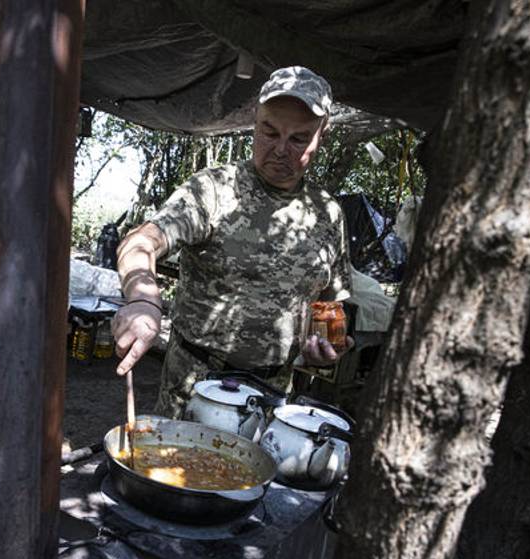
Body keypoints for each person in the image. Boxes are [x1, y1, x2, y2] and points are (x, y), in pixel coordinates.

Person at [111, 66, 353, 418]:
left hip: (270, 401)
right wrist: (143, 300)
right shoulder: (214, 190)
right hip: (192, 391)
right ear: (255, 120)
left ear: (322, 135)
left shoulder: (328, 213)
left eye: (298, 139)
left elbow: (332, 305)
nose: (281, 150)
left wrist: (327, 345)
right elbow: (141, 242)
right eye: (269, 132)